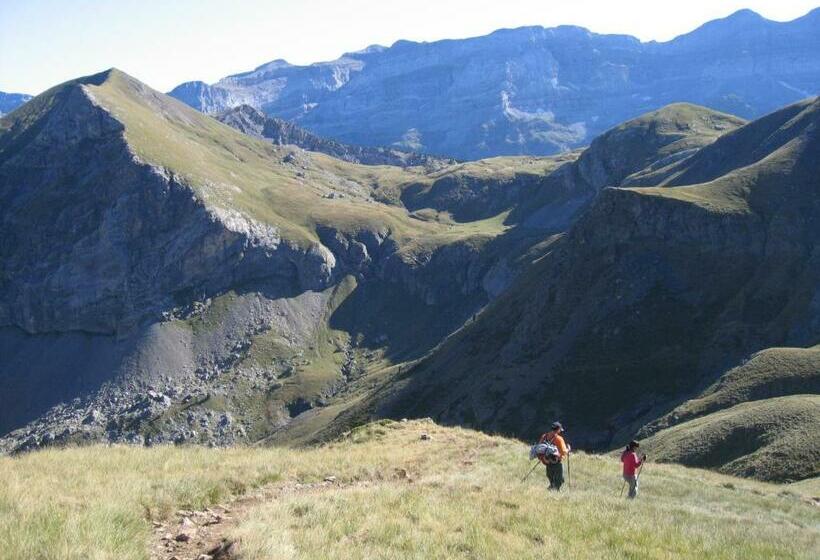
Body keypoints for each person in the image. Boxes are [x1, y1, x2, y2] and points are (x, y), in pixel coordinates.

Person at [539, 421, 570, 491]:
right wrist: (568, 449)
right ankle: (554, 492)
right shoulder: (559, 439)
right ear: (558, 429)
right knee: (559, 479)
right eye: (560, 430)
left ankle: (552, 489)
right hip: (556, 462)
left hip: (546, 461)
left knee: (551, 478)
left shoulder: (544, 436)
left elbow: (540, 447)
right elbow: (563, 452)